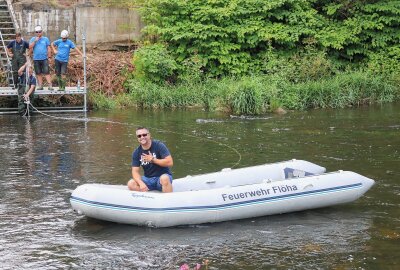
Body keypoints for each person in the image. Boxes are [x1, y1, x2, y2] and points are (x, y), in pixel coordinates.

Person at [127, 127, 174, 193]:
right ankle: (149, 197)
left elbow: (170, 162)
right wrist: (141, 183)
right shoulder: (136, 152)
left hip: (162, 177)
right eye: (139, 136)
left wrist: (153, 160)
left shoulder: (159, 145)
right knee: (130, 184)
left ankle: (168, 200)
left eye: (144, 135)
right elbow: (135, 171)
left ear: (149, 135)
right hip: (148, 179)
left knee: (164, 178)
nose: (142, 137)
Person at [29, 25, 53, 90]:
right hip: (36, 59)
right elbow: (30, 47)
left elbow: (49, 48)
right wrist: (35, 41)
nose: (38, 33)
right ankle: (40, 86)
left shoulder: (45, 39)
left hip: (44, 58)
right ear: (35, 32)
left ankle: (50, 85)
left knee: (46, 72)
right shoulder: (33, 39)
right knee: (38, 73)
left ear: (42, 32)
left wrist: (49, 57)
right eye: (37, 32)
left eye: (39, 31)